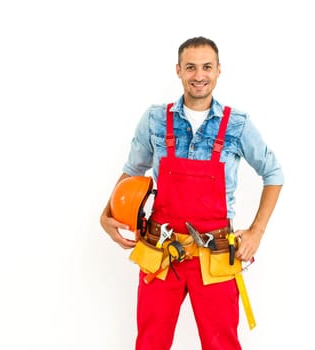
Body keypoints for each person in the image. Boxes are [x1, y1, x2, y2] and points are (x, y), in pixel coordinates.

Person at [100, 36, 284, 350]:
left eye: (206, 67)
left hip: (214, 256)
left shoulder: (236, 124)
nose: (199, 74)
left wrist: (257, 232)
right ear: (179, 71)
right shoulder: (156, 119)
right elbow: (133, 170)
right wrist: (108, 213)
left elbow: (274, 173)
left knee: (221, 343)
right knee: (150, 343)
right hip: (161, 253)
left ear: (218, 71)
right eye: (191, 67)